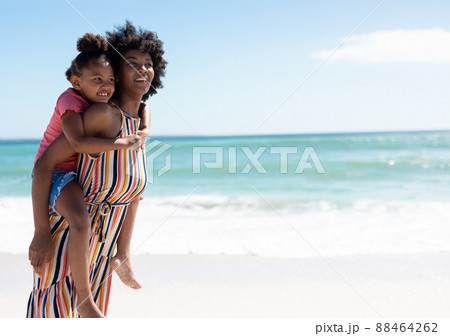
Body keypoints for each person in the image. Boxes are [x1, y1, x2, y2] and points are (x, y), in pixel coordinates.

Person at [27, 21, 167, 317]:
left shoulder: (138, 124)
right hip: (68, 247)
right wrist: (40, 232)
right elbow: (43, 167)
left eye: (148, 63)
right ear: (117, 69)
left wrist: (123, 254)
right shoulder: (103, 116)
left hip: (101, 256)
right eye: (132, 63)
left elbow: (130, 195)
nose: (143, 69)